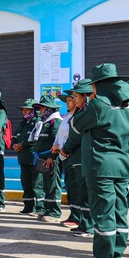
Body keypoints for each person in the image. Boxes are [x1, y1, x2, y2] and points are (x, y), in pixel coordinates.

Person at [71, 63, 129, 258]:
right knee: (119, 212)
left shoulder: (98, 105)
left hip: (100, 166)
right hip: (122, 165)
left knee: (103, 213)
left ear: (98, 85)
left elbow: (76, 125)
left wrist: (91, 102)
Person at [60, 79, 95, 237]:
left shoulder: (87, 113)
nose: (73, 100)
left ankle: (88, 224)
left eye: (75, 97)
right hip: (76, 159)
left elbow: (76, 136)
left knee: (86, 193)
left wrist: (65, 149)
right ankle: (83, 222)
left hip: (83, 158)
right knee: (80, 192)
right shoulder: (78, 113)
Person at [29, 94, 62, 222]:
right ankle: (48, 209)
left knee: (53, 185)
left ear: (49, 109)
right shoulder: (44, 122)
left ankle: (54, 212)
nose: (40, 111)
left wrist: (52, 157)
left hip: (51, 159)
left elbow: (56, 141)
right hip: (43, 159)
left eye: (42, 108)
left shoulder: (55, 122)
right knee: (47, 186)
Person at [12, 99, 44, 215]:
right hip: (23, 158)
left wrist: (22, 145)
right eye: (23, 110)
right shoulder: (23, 123)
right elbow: (15, 136)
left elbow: (34, 139)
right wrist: (14, 144)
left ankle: (40, 207)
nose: (25, 112)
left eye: (28, 110)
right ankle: (28, 206)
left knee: (37, 184)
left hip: (33, 158)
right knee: (26, 183)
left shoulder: (38, 122)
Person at [53, 89, 78, 228]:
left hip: (72, 155)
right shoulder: (67, 116)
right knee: (70, 186)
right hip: (63, 156)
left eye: (70, 101)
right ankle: (73, 214)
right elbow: (59, 135)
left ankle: (78, 217)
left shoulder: (78, 116)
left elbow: (73, 137)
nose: (67, 104)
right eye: (67, 101)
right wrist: (55, 145)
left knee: (76, 188)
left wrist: (64, 149)